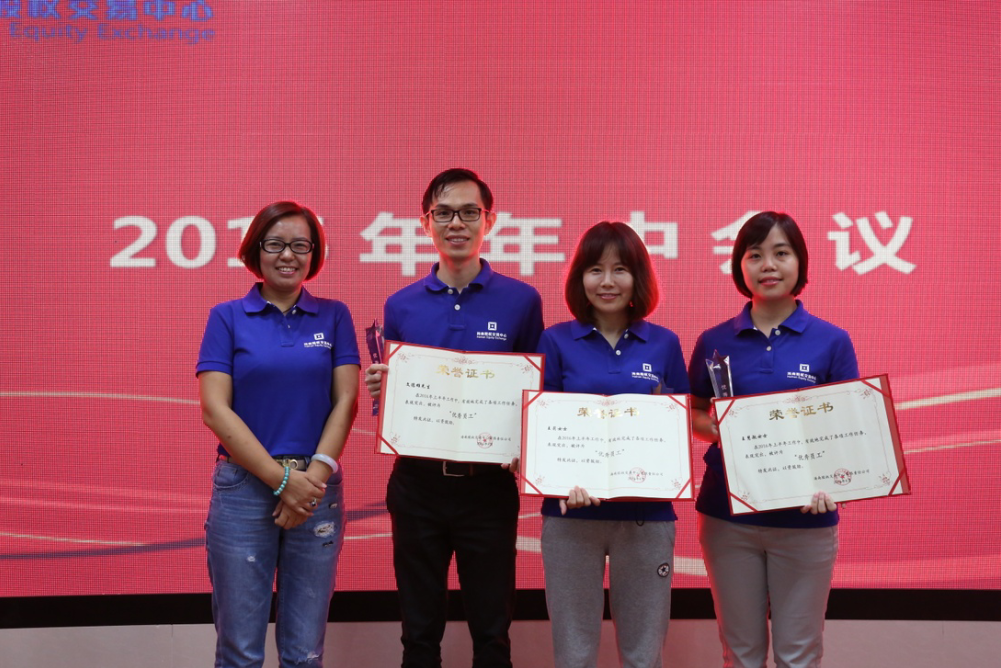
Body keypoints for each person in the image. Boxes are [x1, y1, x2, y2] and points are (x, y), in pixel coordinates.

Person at [364, 168, 544, 668]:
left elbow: (536, 394)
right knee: (419, 636)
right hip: (417, 485)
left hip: (488, 488)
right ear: (426, 222)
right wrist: (383, 390)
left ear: (490, 220)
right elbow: (397, 405)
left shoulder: (522, 301)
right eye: (443, 213)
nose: (456, 223)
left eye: (469, 212)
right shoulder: (401, 305)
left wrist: (525, 445)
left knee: (492, 634)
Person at [688, 211, 859, 668]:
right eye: (755, 255)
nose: (768, 265)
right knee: (740, 654)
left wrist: (835, 485)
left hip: (806, 519)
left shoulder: (832, 341)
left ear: (799, 262)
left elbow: (847, 428)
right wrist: (720, 428)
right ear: (739, 266)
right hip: (728, 517)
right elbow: (695, 414)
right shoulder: (714, 341)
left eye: (781, 253)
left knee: (798, 654)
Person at [197, 201, 360, 668]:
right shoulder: (227, 317)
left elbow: (346, 401)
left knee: (304, 654)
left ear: (314, 254)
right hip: (245, 489)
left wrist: (311, 480)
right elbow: (215, 410)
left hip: (317, 490)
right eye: (275, 244)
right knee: (240, 653)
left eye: (300, 246)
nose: (288, 255)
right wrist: (283, 481)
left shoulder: (334, 316)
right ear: (256, 251)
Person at [536, 221, 689, 668]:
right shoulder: (554, 340)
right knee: (574, 654)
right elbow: (543, 427)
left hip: (646, 517)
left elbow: (676, 430)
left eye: (620, 269)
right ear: (579, 277)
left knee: (644, 654)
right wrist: (560, 481)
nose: (607, 281)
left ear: (638, 277)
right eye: (595, 269)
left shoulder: (664, 343)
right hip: (571, 516)